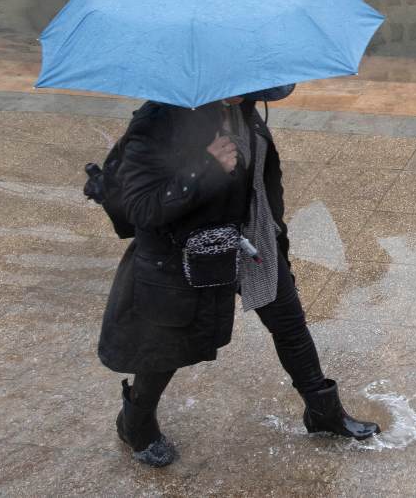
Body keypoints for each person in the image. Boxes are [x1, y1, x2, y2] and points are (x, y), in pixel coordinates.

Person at [97, 85, 378, 467]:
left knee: (289, 322)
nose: (241, 93)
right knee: (166, 347)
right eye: (232, 88)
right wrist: (203, 168)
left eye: (249, 86)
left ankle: (323, 413)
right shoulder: (157, 120)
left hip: (250, 237)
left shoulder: (245, 107)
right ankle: (136, 423)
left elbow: (259, 180)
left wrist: (272, 233)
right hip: (183, 255)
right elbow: (142, 208)